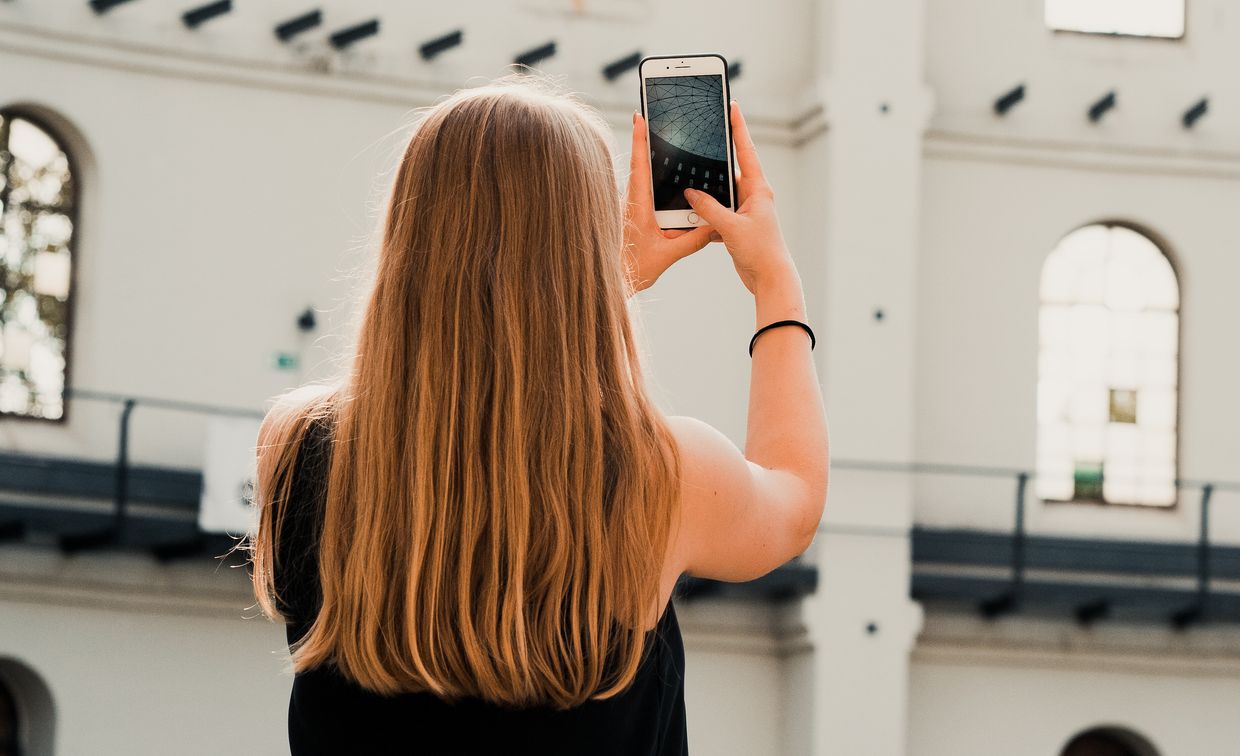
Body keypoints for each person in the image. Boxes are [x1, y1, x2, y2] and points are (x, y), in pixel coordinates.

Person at [246, 76, 828, 755]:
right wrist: (774, 282)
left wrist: (589, 283)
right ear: (583, 249)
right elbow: (794, 496)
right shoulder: (664, 477)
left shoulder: (295, 447)